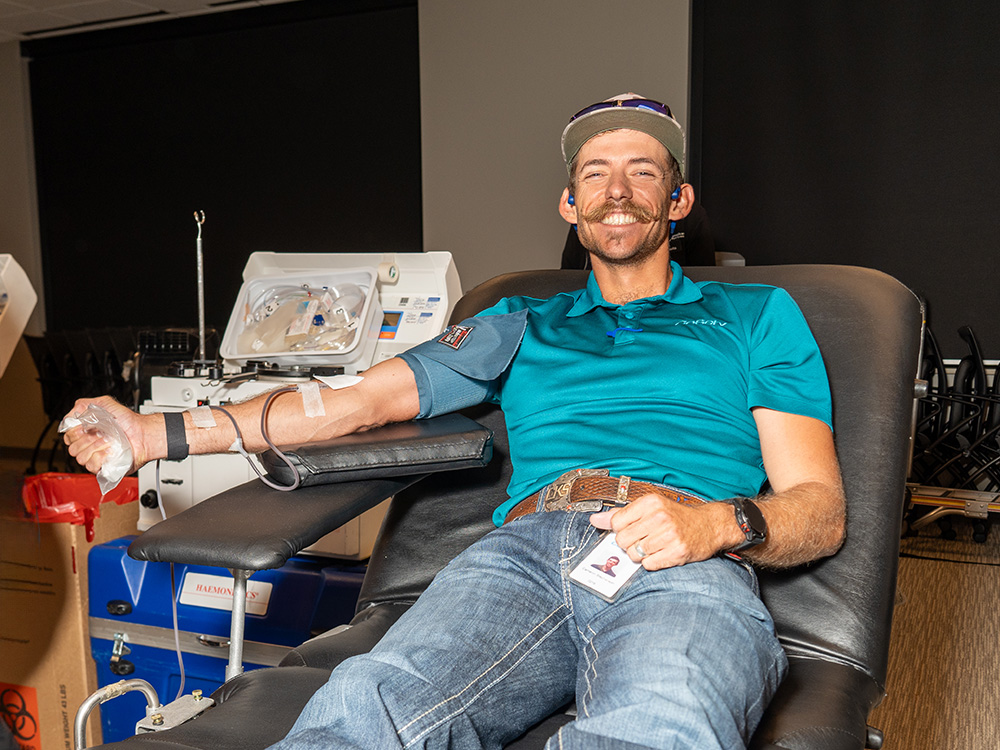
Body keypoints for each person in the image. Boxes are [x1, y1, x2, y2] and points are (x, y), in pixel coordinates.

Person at [65, 93, 845, 749]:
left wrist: (716, 525)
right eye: (595, 173)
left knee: (662, 727)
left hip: (680, 557)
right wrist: (153, 434)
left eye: (644, 171)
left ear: (676, 201)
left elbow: (819, 508)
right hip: (523, 554)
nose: (618, 188)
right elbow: (351, 402)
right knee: (363, 709)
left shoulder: (753, 315)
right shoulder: (522, 321)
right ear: (570, 205)